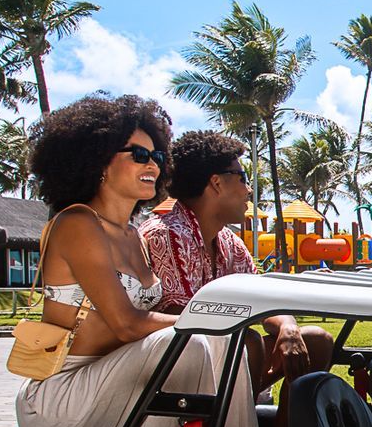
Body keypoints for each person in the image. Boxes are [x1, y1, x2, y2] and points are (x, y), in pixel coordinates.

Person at [13, 95, 271, 427]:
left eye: (157, 155)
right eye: (138, 154)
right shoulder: (77, 223)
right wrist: (213, 321)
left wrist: (223, 325)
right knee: (193, 339)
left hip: (120, 388)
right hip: (62, 399)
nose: (152, 165)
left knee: (222, 338)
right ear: (97, 160)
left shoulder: (134, 235)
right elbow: (127, 324)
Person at [140, 130, 334, 391]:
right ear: (216, 183)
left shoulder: (228, 241)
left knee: (315, 340)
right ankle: (234, 418)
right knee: (247, 342)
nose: (248, 190)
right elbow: (182, 318)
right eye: (243, 178)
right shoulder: (166, 233)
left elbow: (263, 297)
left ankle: (282, 421)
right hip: (173, 363)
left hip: (219, 351)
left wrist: (287, 326)